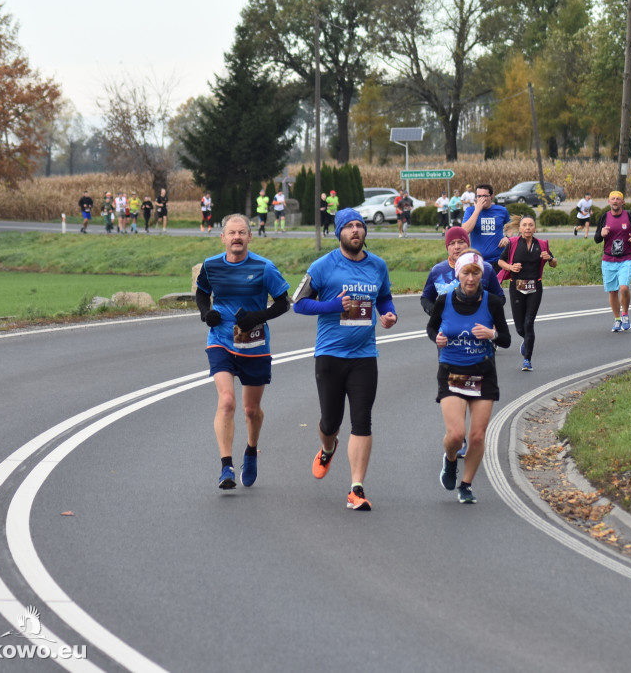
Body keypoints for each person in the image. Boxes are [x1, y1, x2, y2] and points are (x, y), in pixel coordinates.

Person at [292, 208, 398, 511]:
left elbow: (384, 297)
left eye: (359, 226)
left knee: (362, 420)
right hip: (330, 355)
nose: (355, 231)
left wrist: (388, 314)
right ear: (339, 233)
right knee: (330, 422)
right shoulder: (323, 266)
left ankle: (356, 488)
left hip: (365, 355)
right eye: (349, 227)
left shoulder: (378, 266)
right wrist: (332, 306)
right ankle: (327, 448)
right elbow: (298, 303)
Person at [195, 214, 291, 489]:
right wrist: (207, 313)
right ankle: (226, 466)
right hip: (221, 339)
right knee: (227, 401)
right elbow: (202, 293)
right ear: (222, 238)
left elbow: (283, 303)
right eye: (231, 233)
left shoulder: (265, 267)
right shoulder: (211, 266)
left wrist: (256, 316)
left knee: (251, 410)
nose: (236, 237)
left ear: (250, 237)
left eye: (242, 233)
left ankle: (251, 450)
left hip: (254, 344)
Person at [426, 250, 511, 504]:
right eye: (466, 273)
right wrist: (437, 338)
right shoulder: (444, 301)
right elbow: (432, 327)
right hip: (452, 371)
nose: (471, 278)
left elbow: (506, 340)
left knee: (476, 436)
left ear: (481, 276)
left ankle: (466, 484)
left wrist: (492, 334)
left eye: (476, 273)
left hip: (483, 372)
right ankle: (450, 460)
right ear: (458, 274)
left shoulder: (492, 302)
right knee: (455, 435)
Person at [498, 215, 557, 370]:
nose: (528, 228)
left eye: (531, 225)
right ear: (520, 228)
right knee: (519, 327)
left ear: (535, 228)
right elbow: (500, 261)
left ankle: (527, 360)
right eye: (525, 225)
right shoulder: (512, 244)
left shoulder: (542, 244)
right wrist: (510, 267)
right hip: (516, 287)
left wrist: (550, 258)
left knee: (529, 323)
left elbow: (554, 264)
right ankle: (527, 340)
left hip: (535, 288)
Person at [421, 226, 505, 315]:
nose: (457, 247)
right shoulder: (437, 271)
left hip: (480, 326)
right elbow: (426, 298)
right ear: (447, 247)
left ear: (468, 244)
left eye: (461, 242)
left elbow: (500, 298)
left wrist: (485, 311)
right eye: (452, 243)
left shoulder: (486, 268)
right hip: (449, 326)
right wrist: (436, 313)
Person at [593, 191, 631, 332]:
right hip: (608, 260)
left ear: (623, 202)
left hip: (626, 258)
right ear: (609, 202)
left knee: (624, 288)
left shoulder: (629, 215)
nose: (615, 201)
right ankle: (617, 320)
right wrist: (601, 234)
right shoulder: (604, 217)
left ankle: (625, 314)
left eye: (618, 199)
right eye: (613, 199)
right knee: (613, 291)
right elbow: (596, 239)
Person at [462, 183, 513, 272]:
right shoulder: (470, 211)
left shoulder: (501, 210)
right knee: (479, 286)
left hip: (497, 260)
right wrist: (477, 211)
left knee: (495, 285)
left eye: (485, 196)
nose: (482, 199)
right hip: (477, 260)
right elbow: (465, 231)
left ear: (491, 196)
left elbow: (510, 227)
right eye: (479, 196)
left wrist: (507, 238)